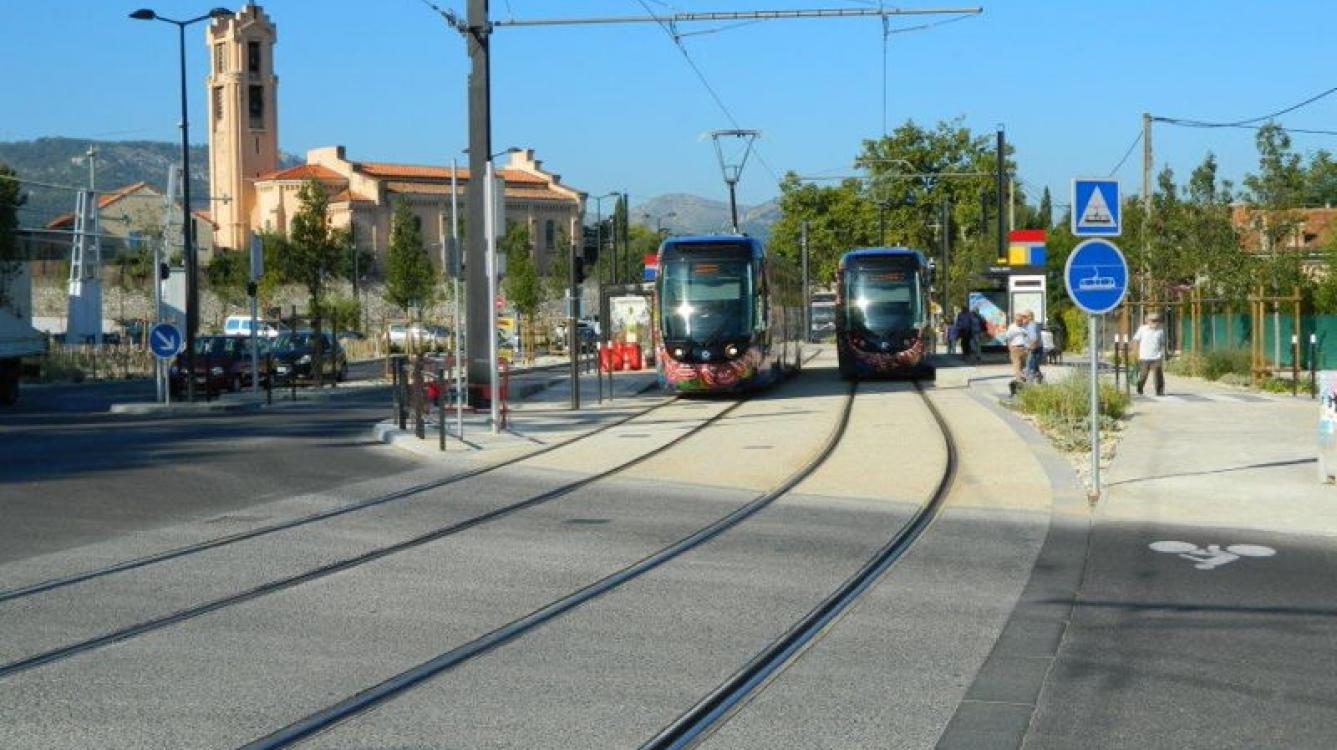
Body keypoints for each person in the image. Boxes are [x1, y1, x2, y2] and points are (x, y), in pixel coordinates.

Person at [1132, 311, 1167, 396]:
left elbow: (1162, 343)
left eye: (1157, 320)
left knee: (1158, 374)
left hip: (1156, 356)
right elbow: (1136, 340)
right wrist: (1135, 352)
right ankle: (1139, 388)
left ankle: (1159, 391)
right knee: (1143, 375)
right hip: (1144, 356)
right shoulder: (1142, 329)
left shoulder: (1160, 331)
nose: (1155, 322)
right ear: (1147, 321)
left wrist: (1164, 353)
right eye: (1153, 320)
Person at [1005, 312, 1030, 383]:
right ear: (1015, 320)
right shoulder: (1012, 327)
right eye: (1018, 320)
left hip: (1024, 349)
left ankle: (1022, 378)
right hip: (1015, 348)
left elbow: (1027, 337)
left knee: (1023, 366)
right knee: (1017, 366)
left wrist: (1027, 348)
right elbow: (1008, 338)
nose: (1020, 322)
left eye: (1021, 320)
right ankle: (1019, 381)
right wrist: (1010, 348)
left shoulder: (1024, 327)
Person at [1022, 310, 1044, 381]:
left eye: (1024, 317)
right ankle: (1039, 380)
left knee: (1030, 369)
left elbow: (1034, 339)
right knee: (1035, 367)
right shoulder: (1030, 325)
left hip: (1033, 350)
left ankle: (1030, 384)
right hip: (1036, 348)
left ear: (1030, 317)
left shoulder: (1031, 326)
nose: (1022, 318)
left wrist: (1029, 348)